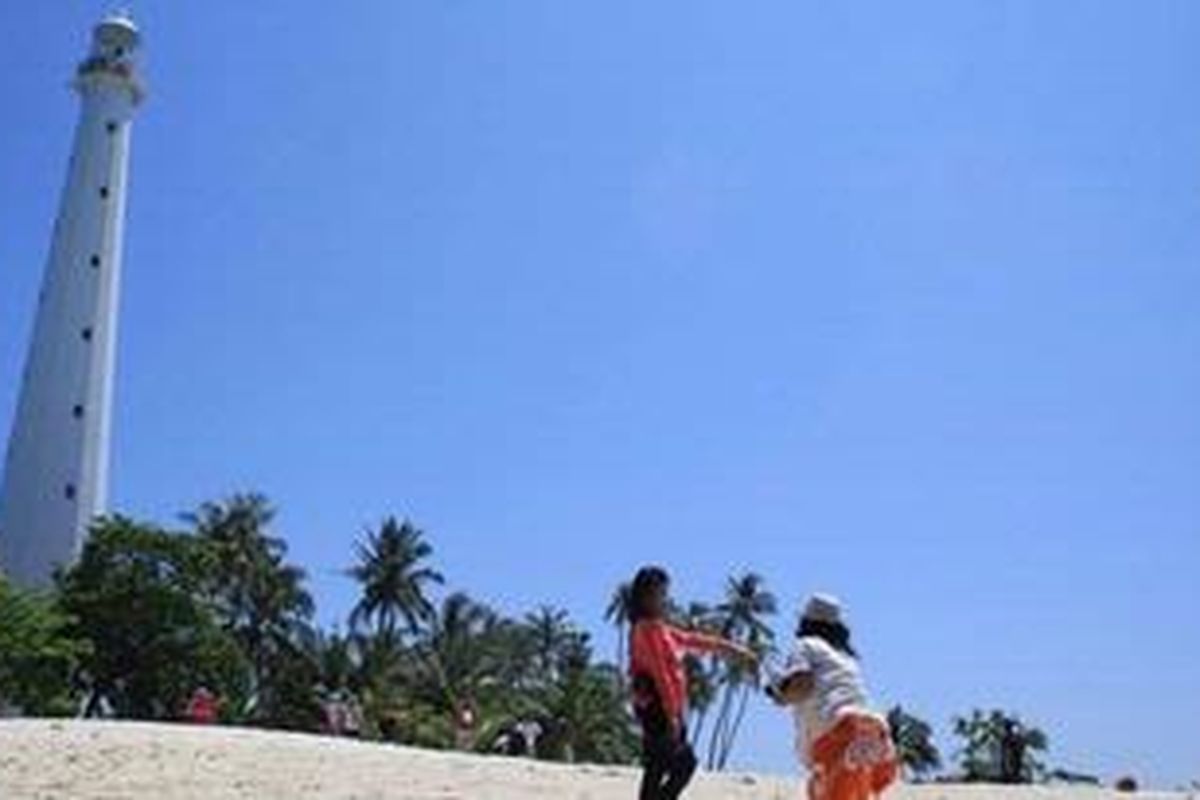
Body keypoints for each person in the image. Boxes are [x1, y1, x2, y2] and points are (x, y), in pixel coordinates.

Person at [628, 566, 756, 800]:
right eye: (660, 594)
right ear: (645, 596)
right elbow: (660, 675)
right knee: (683, 765)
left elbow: (693, 640)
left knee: (657, 768)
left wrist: (732, 648)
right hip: (658, 709)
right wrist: (673, 716)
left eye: (665, 593)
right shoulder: (645, 629)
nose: (664, 599)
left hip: (666, 710)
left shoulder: (660, 629)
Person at [767, 594, 898, 800]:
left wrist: (781, 695)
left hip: (839, 730)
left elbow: (802, 685)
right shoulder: (845, 658)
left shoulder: (805, 645)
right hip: (876, 731)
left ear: (805, 621)